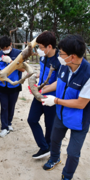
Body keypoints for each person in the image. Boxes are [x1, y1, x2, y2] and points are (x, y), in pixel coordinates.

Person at [40, 35, 90, 180]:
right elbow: (59, 82)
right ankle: (54, 159)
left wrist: (56, 101)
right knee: (54, 139)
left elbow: (81, 104)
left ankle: (67, 176)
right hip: (61, 115)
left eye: (61, 53)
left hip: (79, 121)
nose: (59, 56)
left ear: (72, 57)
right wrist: (43, 89)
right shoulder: (65, 66)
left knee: (73, 153)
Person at [27, 31, 61, 159]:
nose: (39, 50)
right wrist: (34, 78)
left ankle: (49, 148)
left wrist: (42, 91)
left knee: (49, 125)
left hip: (51, 98)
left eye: (41, 47)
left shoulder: (59, 60)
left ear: (50, 46)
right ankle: (44, 146)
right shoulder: (43, 57)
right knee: (32, 119)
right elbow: (43, 73)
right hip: (39, 93)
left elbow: (60, 82)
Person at [0, 36, 25, 137]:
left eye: (6, 48)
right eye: (2, 49)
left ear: (11, 45)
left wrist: (11, 62)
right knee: (4, 106)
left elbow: (23, 69)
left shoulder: (18, 53)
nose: (4, 50)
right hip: (2, 85)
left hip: (14, 85)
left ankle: (9, 123)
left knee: (11, 106)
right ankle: (4, 128)